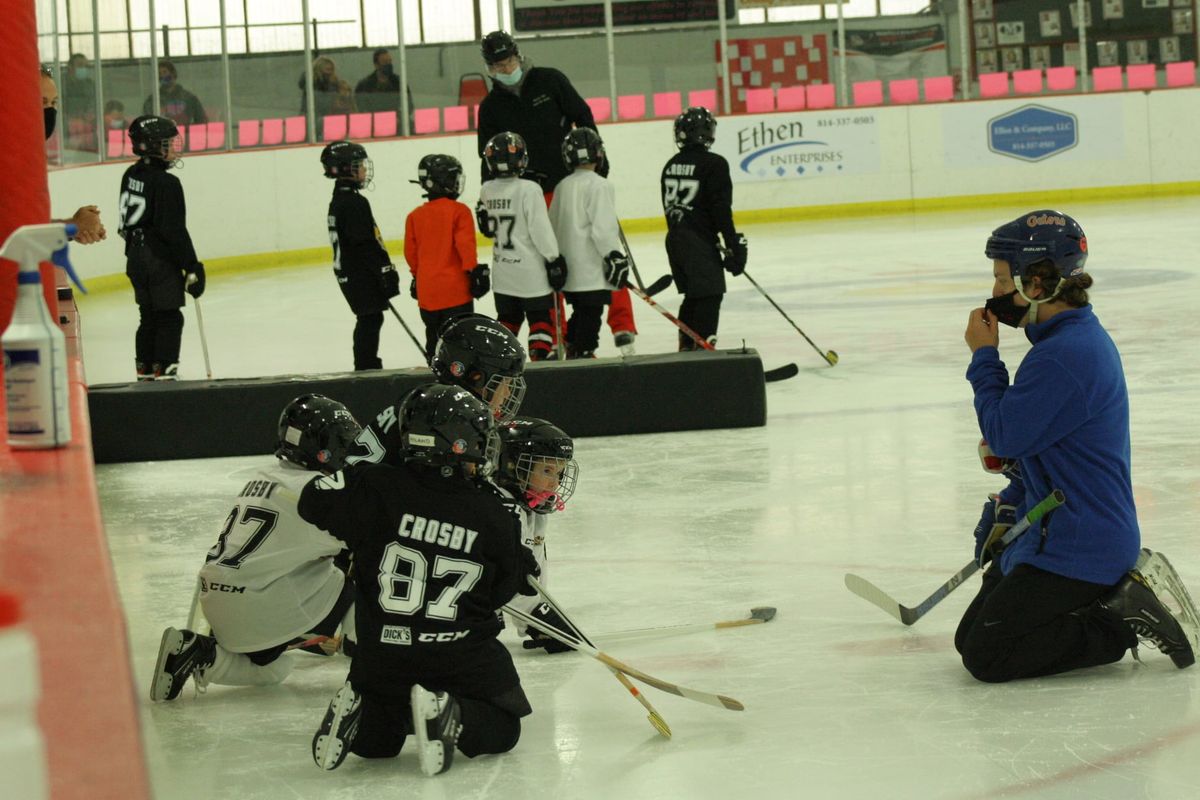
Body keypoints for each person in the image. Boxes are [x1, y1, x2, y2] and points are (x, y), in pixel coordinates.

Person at [956, 210, 1199, 683]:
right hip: (1057, 529)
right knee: (972, 638)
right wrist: (1013, 503)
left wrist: (984, 358)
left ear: (1039, 281)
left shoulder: (1066, 355)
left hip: (1084, 543)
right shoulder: (1064, 341)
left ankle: (1118, 620)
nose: (997, 292)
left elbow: (1005, 435)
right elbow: (1039, 448)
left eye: (1004, 279)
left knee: (988, 655)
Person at [300, 383, 539, 775]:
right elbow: (501, 592)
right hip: (460, 656)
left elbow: (314, 500)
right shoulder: (493, 513)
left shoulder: (376, 487)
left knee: (377, 744)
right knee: (502, 727)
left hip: (381, 655)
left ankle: (363, 712)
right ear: (458, 444)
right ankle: (450, 712)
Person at [149, 395, 363, 702]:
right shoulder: (318, 492)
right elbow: (371, 538)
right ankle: (367, 647)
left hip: (217, 607)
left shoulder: (261, 478)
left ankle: (200, 653)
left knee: (274, 671)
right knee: (364, 561)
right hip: (261, 607)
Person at [476, 30, 636, 356]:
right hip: (530, 195)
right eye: (497, 65)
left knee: (601, 248)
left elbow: (583, 116)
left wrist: (598, 160)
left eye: (508, 61)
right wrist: (484, 201)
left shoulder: (550, 81)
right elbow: (486, 154)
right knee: (550, 264)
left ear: (517, 55)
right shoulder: (491, 106)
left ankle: (622, 325)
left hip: (571, 184)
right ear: (489, 68)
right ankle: (559, 332)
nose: (505, 69)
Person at [346, 313, 527, 468]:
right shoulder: (439, 418)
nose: (508, 394)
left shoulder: (427, 403)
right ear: (475, 376)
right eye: (505, 383)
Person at [117, 114, 204, 381]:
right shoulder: (167, 183)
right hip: (157, 259)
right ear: (152, 146)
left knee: (148, 317)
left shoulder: (130, 174)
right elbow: (173, 231)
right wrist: (192, 265)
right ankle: (165, 377)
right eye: (167, 143)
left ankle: (144, 373)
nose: (173, 148)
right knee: (168, 318)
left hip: (135, 256)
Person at [661, 107, 747, 350]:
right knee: (710, 294)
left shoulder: (670, 165)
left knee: (694, 295)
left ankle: (687, 346)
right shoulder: (715, 164)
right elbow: (720, 208)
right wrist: (732, 243)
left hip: (675, 241)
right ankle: (703, 349)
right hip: (697, 243)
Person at [494, 417, 583, 654]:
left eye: (560, 473)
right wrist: (538, 620)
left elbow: (533, 572)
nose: (555, 483)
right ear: (512, 466)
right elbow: (509, 579)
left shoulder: (532, 505)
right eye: (546, 470)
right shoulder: (499, 508)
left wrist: (544, 613)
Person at [478, 131, 565, 361]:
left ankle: (501, 365)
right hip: (530, 272)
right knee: (540, 318)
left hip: (503, 271)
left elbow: (486, 228)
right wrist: (554, 258)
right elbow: (540, 230)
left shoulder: (486, 189)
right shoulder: (530, 189)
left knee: (509, 319)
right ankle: (539, 361)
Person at [548, 128, 628, 359]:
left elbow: (552, 225)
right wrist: (613, 255)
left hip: (569, 272)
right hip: (591, 271)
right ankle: (581, 354)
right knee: (591, 317)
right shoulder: (601, 185)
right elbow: (603, 228)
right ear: (598, 154)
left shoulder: (562, 186)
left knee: (582, 312)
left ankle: (573, 345)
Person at [321, 140, 401, 371]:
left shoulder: (340, 199)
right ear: (346, 168)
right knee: (370, 318)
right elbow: (364, 243)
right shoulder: (354, 203)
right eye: (359, 165)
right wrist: (382, 271)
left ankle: (367, 365)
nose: (364, 170)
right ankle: (366, 367)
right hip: (359, 274)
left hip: (351, 272)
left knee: (371, 318)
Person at [405, 154, 490, 358]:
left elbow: (411, 254)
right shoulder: (459, 211)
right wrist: (473, 271)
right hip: (456, 292)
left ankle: (436, 376)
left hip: (427, 293)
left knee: (434, 341)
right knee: (460, 344)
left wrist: (418, 276)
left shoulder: (414, 216)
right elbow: (465, 246)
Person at [40, 68, 106, 244]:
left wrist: (73, 229)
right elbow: (12, 232)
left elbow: (30, 226)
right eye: (41, 101)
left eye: (54, 103)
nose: (49, 111)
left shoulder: (32, 156)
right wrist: (73, 226)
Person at [353, 47, 414, 118]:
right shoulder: (364, 85)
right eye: (385, 62)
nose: (388, 64)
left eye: (390, 61)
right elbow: (361, 109)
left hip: (396, 121)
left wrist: (398, 116)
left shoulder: (399, 82)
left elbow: (409, 106)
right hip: (374, 123)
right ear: (376, 65)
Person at [143, 60, 207, 126]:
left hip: (184, 134)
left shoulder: (189, 98)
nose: (162, 76)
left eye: (165, 72)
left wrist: (190, 131)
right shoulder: (152, 100)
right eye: (159, 74)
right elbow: (147, 123)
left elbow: (201, 120)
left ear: (173, 73)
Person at [62, 53, 97, 151]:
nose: (84, 68)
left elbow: (94, 103)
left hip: (87, 126)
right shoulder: (62, 83)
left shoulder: (90, 84)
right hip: (67, 127)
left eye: (86, 66)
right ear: (70, 67)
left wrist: (90, 115)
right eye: (80, 65)